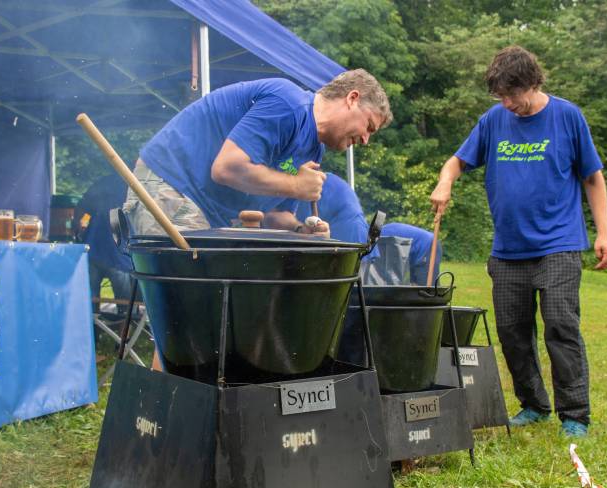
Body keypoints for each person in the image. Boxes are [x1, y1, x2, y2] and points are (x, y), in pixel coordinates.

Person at [429, 46, 607, 437]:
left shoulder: (567, 117)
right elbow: (456, 161)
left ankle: (575, 414)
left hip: (558, 244)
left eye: (512, 94)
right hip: (509, 250)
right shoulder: (494, 120)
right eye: (500, 96)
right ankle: (533, 405)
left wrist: (604, 233)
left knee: (561, 326)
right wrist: (445, 182)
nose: (507, 103)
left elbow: (593, 178)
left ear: (533, 82)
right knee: (512, 332)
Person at [123, 70, 392, 236]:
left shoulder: (313, 149)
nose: (366, 140)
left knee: (214, 309)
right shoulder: (289, 103)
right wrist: (296, 184)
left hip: (203, 209)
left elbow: (276, 216)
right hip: (170, 186)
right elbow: (226, 168)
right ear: (352, 98)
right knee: (197, 306)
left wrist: (302, 230)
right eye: (369, 126)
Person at [295, 174, 441, 284]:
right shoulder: (358, 229)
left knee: (424, 297)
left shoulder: (353, 227)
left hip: (426, 247)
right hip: (390, 241)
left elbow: (361, 262)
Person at [79, 173, 133, 318]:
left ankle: (94, 332)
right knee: (125, 305)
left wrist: (79, 234)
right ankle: (124, 337)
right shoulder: (135, 184)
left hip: (99, 250)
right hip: (116, 253)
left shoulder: (104, 181)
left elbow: (81, 208)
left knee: (89, 300)